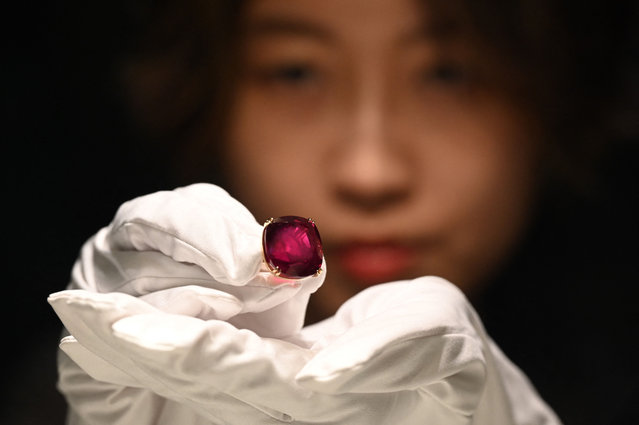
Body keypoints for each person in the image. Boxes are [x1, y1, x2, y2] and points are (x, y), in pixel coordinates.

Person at [46, 0, 638, 424]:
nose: (369, 172)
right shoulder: (89, 396)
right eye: (296, 71)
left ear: (557, 90)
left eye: (448, 72)